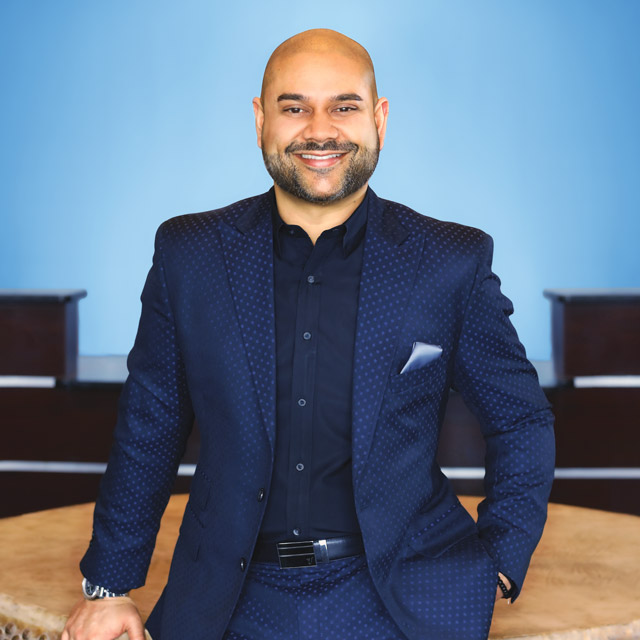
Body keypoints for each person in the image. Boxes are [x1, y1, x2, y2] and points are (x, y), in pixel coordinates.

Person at [62, 28, 555, 640]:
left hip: (408, 603)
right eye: (294, 107)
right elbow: (151, 423)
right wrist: (109, 586)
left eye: (344, 106)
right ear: (259, 117)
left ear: (379, 117)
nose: (319, 130)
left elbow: (520, 420)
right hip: (228, 601)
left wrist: (501, 562)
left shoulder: (450, 260)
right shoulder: (189, 254)